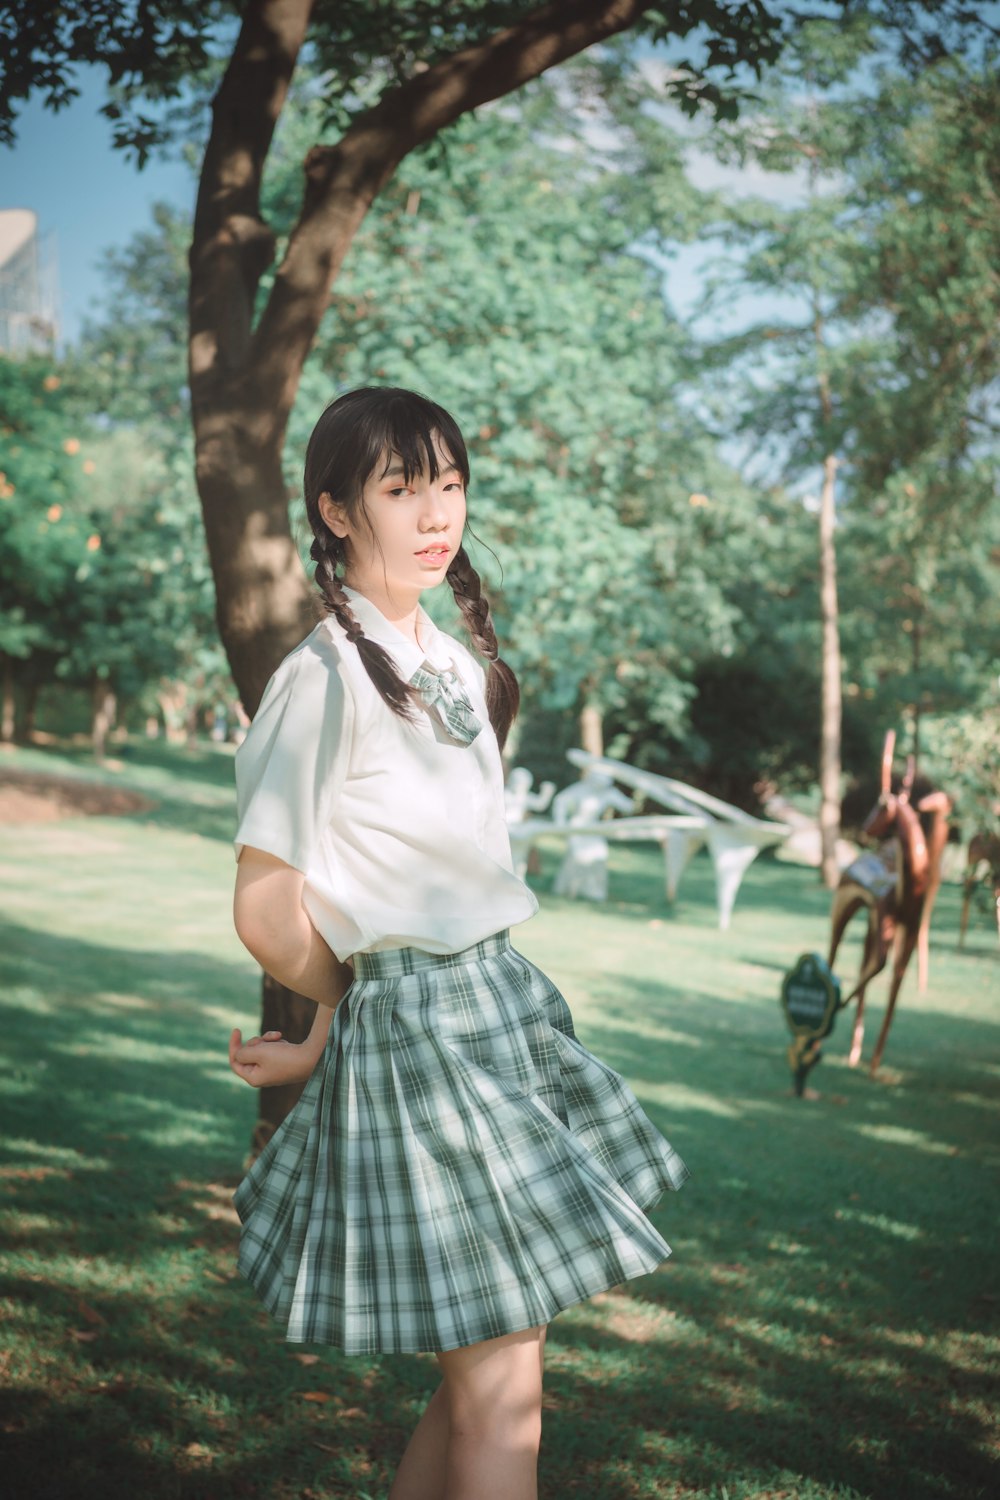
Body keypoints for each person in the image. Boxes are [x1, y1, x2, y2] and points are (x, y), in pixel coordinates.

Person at [227, 386, 691, 1500]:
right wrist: (359, 1018)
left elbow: (407, 886)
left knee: (492, 1362)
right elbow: (270, 908)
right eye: (401, 489)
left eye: (449, 483)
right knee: (501, 1383)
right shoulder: (322, 681)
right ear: (337, 513)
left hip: (501, 1010)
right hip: (424, 1044)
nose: (437, 513)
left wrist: (327, 1032)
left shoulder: (458, 669)